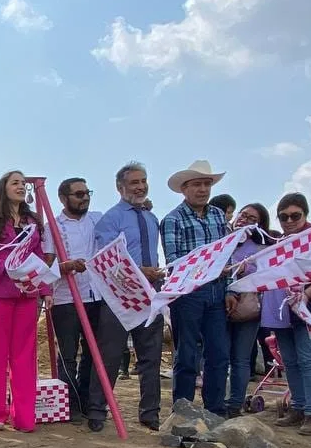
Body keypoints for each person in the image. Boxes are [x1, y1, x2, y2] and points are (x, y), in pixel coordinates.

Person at [94, 161, 165, 430]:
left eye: (143, 180)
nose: (140, 186)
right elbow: (108, 260)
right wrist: (139, 272)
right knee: (110, 355)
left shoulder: (151, 217)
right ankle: (98, 411)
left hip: (151, 295)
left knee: (151, 357)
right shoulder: (110, 219)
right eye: (134, 182)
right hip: (119, 297)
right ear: (120, 187)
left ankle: (150, 414)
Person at [0, 171, 49, 433]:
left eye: (22, 183)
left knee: (24, 357)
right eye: (14, 182)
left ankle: (24, 416)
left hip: (27, 295)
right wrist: (8, 269)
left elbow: (39, 257)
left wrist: (46, 289)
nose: (20, 186)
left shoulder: (33, 221)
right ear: (3, 188)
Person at [159, 160, 231, 416]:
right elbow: (175, 261)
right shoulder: (172, 220)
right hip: (188, 292)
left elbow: (228, 253)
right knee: (188, 354)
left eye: (206, 184)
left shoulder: (218, 216)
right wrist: (211, 268)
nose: (203, 189)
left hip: (217, 290)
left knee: (219, 353)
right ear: (184, 189)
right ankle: (183, 408)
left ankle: (214, 407)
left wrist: (230, 288)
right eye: (197, 184)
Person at [45, 177, 107, 431]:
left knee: (94, 353)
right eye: (78, 194)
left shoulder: (98, 218)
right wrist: (65, 266)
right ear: (63, 198)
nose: (84, 198)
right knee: (68, 356)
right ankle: (69, 404)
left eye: (87, 193)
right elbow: (46, 266)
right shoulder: (53, 227)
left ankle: (87, 402)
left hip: (97, 295)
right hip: (66, 299)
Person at [264, 193, 311, 435]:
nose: (289, 220)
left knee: (308, 359)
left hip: (305, 307)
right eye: (283, 217)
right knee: (289, 361)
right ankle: (298, 406)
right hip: (280, 310)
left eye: (295, 215)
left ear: (305, 214)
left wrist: (307, 295)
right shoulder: (279, 243)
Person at [224, 203, 272, 417]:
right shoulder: (221, 239)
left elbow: (264, 274)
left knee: (241, 358)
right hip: (218, 307)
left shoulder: (261, 248)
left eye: (252, 219)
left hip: (247, 309)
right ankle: (217, 401)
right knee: (216, 357)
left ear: (260, 225)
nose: (244, 220)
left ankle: (234, 404)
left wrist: (246, 268)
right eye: (243, 215)